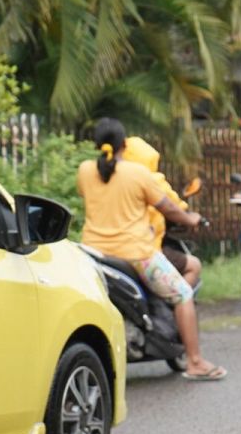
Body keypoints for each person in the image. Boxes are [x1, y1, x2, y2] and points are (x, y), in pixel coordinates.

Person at [78, 119, 227, 381]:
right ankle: (195, 362)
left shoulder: (85, 171)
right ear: (125, 144)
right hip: (135, 254)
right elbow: (168, 207)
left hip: (93, 252)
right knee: (181, 293)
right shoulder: (138, 174)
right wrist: (190, 219)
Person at [122, 135, 203, 288]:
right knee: (194, 266)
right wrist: (191, 218)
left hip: (111, 248)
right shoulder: (151, 180)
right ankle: (172, 307)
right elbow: (174, 207)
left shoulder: (114, 179)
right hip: (145, 249)